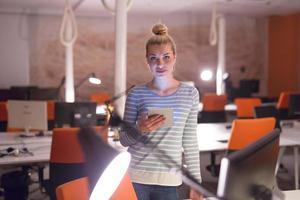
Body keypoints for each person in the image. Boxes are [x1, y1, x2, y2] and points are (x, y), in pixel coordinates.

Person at [119, 23, 202, 200]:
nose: (160, 63)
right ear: (147, 61)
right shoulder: (136, 93)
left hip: (169, 180)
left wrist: (196, 184)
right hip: (136, 176)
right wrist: (139, 129)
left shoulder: (190, 94)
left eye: (166, 57)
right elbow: (123, 139)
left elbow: (190, 142)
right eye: (153, 58)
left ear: (175, 58)